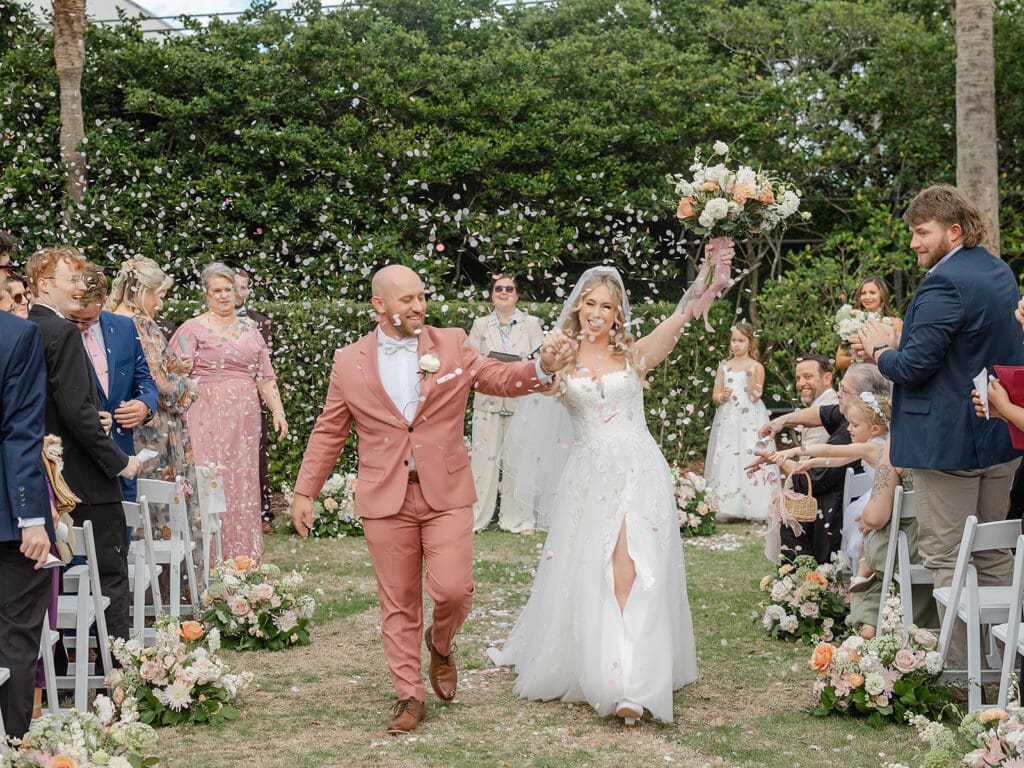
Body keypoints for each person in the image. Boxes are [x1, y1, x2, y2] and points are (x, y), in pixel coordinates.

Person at [290, 264, 572, 735]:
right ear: (380, 305)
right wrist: (305, 491)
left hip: (445, 492)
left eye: (422, 297)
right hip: (385, 497)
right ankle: (409, 697)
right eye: (408, 300)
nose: (419, 306)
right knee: (398, 601)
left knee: (454, 590)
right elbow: (330, 429)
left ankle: (441, 643)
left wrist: (542, 367)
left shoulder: (453, 343)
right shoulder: (349, 361)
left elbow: (499, 376)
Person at [491, 244, 733, 726]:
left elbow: (683, 313)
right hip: (589, 478)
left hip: (639, 471)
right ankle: (608, 671)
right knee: (597, 573)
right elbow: (530, 389)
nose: (598, 313)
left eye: (608, 306)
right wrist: (549, 365)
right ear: (577, 307)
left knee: (633, 569)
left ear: (618, 312)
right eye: (590, 304)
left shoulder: (635, 354)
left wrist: (711, 268)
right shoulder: (559, 356)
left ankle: (633, 685)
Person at [858, 184, 1024, 670]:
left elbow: (912, 368)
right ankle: (1005, 667)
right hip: (998, 435)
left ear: (954, 230)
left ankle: (962, 672)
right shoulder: (998, 270)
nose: (914, 242)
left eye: (921, 232)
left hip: (949, 445)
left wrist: (880, 348)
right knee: (992, 552)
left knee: (947, 556)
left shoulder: (942, 284)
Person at [26, 247, 140, 642]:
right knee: (109, 575)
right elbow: (75, 411)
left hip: (40, 474)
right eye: (71, 280)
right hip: (82, 477)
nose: (80, 287)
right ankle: (118, 674)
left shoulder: (23, 327)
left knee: (47, 581)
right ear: (45, 284)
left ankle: (56, 669)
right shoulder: (60, 332)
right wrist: (120, 461)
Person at [171, 262, 287, 564]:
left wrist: (277, 410)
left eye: (229, 290)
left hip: (245, 417)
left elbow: (265, 375)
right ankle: (208, 558)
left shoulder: (251, 329)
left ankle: (243, 557)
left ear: (238, 293)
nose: (223, 296)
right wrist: (182, 369)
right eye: (216, 291)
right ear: (206, 295)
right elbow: (172, 373)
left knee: (243, 480)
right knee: (211, 477)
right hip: (205, 412)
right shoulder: (191, 329)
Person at [107, 256, 202, 568]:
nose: (160, 304)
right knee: (159, 505)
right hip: (155, 429)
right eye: (158, 295)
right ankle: (165, 585)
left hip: (126, 424)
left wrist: (174, 363)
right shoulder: (141, 323)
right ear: (141, 290)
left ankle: (136, 581)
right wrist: (189, 386)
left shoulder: (107, 318)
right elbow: (158, 383)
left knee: (135, 501)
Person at [770, 392, 892, 638]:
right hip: (883, 503)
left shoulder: (872, 446)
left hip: (879, 504)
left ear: (875, 428)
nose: (849, 429)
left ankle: (864, 612)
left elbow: (828, 449)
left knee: (864, 558)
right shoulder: (878, 444)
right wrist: (812, 463)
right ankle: (868, 613)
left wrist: (795, 452)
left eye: (855, 425)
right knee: (866, 557)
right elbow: (832, 457)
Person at [755, 362, 891, 564]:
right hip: (863, 502)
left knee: (794, 510)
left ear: (861, 399)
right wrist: (781, 421)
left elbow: (814, 475)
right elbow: (823, 420)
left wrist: (778, 457)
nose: (838, 394)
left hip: (836, 516)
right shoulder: (862, 421)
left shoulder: (854, 434)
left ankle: (802, 575)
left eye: (843, 390)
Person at [0, 310, 54, 738]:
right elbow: (21, 431)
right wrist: (31, 517)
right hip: (7, 520)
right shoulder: (17, 334)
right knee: (16, 635)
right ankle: (13, 746)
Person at [68, 263, 158, 502]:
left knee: (124, 535)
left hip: (123, 452)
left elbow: (144, 379)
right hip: (79, 459)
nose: (79, 326)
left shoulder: (124, 326)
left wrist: (144, 405)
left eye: (88, 320)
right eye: (74, 318)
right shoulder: (56, 333)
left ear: (104, 300)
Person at [468, 274, 545, 534]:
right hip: (487, 400)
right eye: (498, 288)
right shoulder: (480, 325)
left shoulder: (531, 323)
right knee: (482, 462)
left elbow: (540, 360)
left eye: (509, 288)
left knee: (517, 462)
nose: (503, 292)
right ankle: (477, 518)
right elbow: (469, 358)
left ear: (517, 295)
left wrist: (519, 364)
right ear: (492, 294)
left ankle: (515, 518)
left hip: (519, 402)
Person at [704, 322, 777, 521]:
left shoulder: (757, 367)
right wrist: (722, 397)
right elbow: (715, 395)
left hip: (750, 416)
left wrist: (751, 377)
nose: (736, 345)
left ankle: (756, 507)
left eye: (741, 341)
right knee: (727, 454)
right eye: (733, 340)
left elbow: (755, 395)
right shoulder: (723, 367)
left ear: (750, 343)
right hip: (728, 417)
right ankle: (728, 505)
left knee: (749, 451)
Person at [233, 268, 276, 535]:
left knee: (257, 456)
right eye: (235, 286)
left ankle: (263, 512)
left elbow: (264, 366)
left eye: (244, 287)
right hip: (221, 400)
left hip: (251, 398)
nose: (240, 292)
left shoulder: (260, 323)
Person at [835, 276, 904, 370]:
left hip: (886, 378)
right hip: (859, 377)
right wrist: (858, 358)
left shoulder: (895, 323)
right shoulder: (852, 323)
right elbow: (839, 362)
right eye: (863, 293)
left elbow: (903, 356)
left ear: (882, 294)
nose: (867, 297)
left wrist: (876, 353)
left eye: (872, 292)